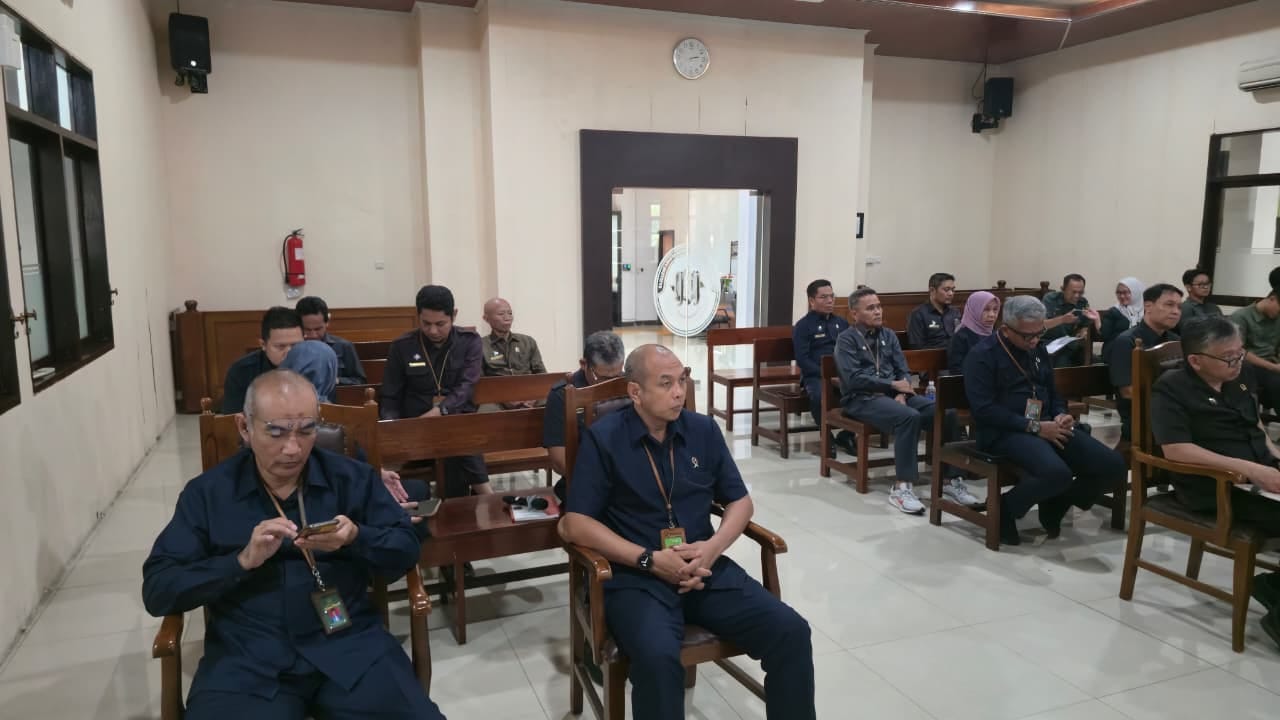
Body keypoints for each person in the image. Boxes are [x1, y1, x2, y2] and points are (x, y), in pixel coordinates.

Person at [142, 370, 446, 719]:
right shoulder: (208, 494)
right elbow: (159, 589)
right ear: (244, 427)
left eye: (306, 430)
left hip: (349, 645)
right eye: (276, 432)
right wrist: (241, 561)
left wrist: (356, 537)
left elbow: (406, 547)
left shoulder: (351, 478)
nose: (293, 449)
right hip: (248, 656)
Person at [559, 345, 815, 720]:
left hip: (704, 569)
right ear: (635, 392)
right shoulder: (605, 439)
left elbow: (740, 502)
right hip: (637, 578)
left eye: (681, 380)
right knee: (658, 660)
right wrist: (648, 560)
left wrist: (712, 548)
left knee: (791, 632)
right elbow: (574, 523)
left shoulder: (702, 430)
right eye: (666, 384)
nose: (679, 392)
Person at [1150, 317, 1280, 647]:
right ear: (1196, 360)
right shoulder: (1171, 387)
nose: (1238, 362)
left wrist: (1273, 454)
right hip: (1215, 486)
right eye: (1228, 357)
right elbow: (1176, 449)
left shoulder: (1240, 376)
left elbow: (1254, 424)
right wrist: (1252, 470)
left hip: (1258, 474)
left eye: (1240, 353)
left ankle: (1273, 587)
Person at [963, 296, 1126, 545]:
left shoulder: (1038, 349)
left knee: (1113, 465)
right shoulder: (982, 355)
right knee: (1056, 474)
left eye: (1039, 333)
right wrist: (1035, 427)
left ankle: (1058, 500)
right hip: (1004, 432)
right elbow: (984, 410)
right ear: (1006, 330)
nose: (1034, 340)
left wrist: (1060, 413)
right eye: (1027, 336)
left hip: (1047, 424)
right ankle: (1005, 508)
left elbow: (1052, 391)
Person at [836, 288, 974, 512]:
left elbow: (903, 370)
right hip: (862, 398)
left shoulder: (888, 335)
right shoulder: (846, 339)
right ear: (854, 313)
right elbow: (853, 378)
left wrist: (901, 392)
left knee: (945, 412)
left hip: (896, 395)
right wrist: (892, 386)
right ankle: (902, 487)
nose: (878, 311)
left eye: (879, 306)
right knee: (908, 417)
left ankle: (951, 480)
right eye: (870, 308)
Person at [281, 341, 429, 537]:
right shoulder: (333, 416)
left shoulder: (273, 412)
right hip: (343, 503)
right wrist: (376, 477)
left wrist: (379, 473)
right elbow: (350, 469)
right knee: (419, 490)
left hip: (289, 507)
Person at [381, 285, 492, 497]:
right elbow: (390, 395)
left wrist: (441, 410)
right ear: (418, 317)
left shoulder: (469, 342)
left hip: (455, 421)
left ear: (454, 315)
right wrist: (392, 427)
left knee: (453, 433)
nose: (433, 331)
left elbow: (467, 385)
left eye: (440, 324)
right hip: (416, 427)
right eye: (426, 323)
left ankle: (459, 505)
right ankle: (487, 497)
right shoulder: (402, 346)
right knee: (457, 438)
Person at [543, 330, 626, 500]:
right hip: (585, 478)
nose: (610, 384)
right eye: (603, 378)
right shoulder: (562, 395)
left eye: (617, 376)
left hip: (627, 476)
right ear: (584, 364)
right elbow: (559, 461)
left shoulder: (629, 385)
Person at [1104, 283, 1182, 441]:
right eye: (1169, 305)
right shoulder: (1127, 341)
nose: (1176, 311)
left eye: (1179, 307)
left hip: (1174, 411)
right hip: (1142, 417)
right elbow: (1128, 391)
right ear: (1148, 306)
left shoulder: (1176, 341)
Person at [792, 279, 852, 455]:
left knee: (861, 391)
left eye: (832, 296)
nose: (830, 301)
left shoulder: (842, 323)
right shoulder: (803, 326)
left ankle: (847, 434)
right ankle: (826, 436)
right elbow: (802, 360)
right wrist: (827, 376)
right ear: (812, 301)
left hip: (842, 374)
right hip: (815, 375)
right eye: (824, 297)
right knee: (819, 396)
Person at [221, 307, 304, 413]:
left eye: (296, 345)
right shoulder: (241, 371)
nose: (289, 353)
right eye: (280, 346)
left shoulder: (316, 364)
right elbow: (233, 418)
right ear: (263, 344)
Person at [296, 296, 367, 386]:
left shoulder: (344, 346)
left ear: (327, 323)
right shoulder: (292, 348)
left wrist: (336, 380)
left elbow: (360, 381)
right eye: (307, 329)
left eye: (318, 329)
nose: (313, 335)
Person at [1231, 290, 1280, 412]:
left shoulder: (1277, 318)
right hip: (1248, 366)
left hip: (1272, 362)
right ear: (1272, 299)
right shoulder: (1241, 316)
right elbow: (1238, 351)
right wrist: (1273, 367)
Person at [1041, 274, 1101, 367]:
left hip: (1071, 344)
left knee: (1097, 362)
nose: (1077, 296)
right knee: (1063, 362)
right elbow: (1042, 325)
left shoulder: (1082, 302)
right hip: (1051, 343)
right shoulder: (1050, 299)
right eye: (1073, 292)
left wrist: (1084, 330)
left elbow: (1085, 324)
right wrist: (1062, 319)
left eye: (1080, 292)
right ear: (1063, 289)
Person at [480, 297, 547, 379]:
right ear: (486, 319)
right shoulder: (480, 345)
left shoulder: (528, 342)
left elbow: (542, 375)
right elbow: (480, 381)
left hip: (527, 386)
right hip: (497, 387)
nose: (507, 318)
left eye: (510, 313)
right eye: (501, 314)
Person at [947, 291, 1000, 375]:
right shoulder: (961, 337)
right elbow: (956, 371)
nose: (992, 315)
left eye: (995, 309)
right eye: (986, 309)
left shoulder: (996, 335)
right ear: (974, 310)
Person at [906, 272, 959, 350]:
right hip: (931, 355)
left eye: (953, 290)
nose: (951, 293)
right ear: (932, 290)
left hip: (956, 354)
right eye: (946, 290)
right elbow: (917, 346)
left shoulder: (954, 312)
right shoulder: (918, 314)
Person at [1100, 277, 1145, 348]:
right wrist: (1097, 320)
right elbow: (1104, 336)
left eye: (1125, 292)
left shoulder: (1147, 311)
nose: (1121, 296)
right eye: (1118, 293)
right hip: (1116, 349)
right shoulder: (1113, 312)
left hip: (1142, 349)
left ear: (1136, 292)